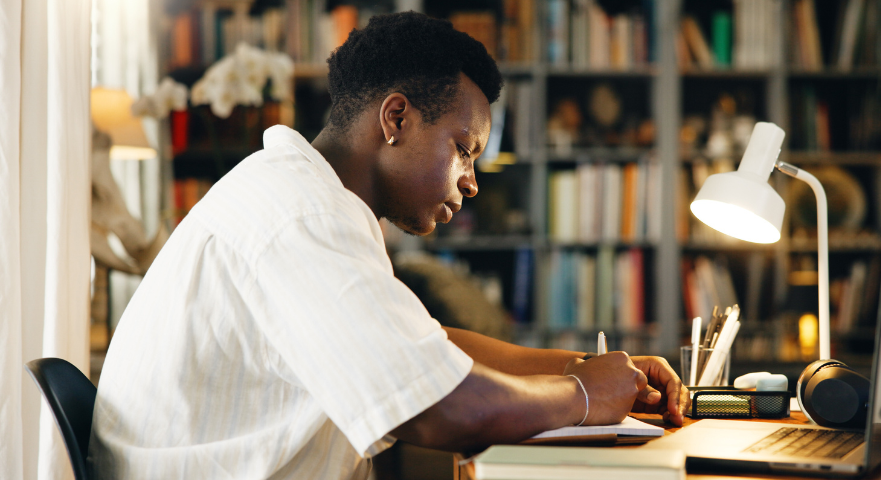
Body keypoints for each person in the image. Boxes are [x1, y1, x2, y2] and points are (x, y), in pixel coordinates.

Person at [90, 12, 688, 480]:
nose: (472, 181)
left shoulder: (306, 195)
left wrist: (582, 367)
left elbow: (424, 346)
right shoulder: (303, 215)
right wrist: (585, 396)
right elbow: (432, 406)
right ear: (395, 118)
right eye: (463, 148)